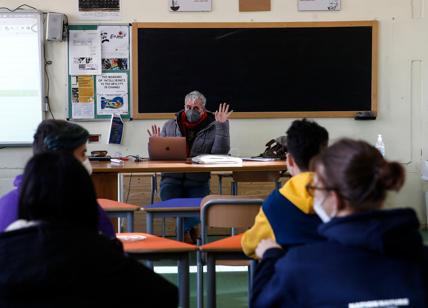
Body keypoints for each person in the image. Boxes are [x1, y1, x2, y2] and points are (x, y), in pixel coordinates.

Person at [252, 139, 428, 307]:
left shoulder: (300, 266)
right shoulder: (420, 259)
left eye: (315, 188)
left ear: (335, 199)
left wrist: (271, 258)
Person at [0, 152, 177, 307]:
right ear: (86, 198)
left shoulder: (6, 249)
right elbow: (166, 294)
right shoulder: (102, 252)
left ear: (26, 197)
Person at [0, 119, 115, 238]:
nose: (86, 159)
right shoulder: (81, 205)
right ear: (63, 159)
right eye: (82, 153)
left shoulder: (5, 203)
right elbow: (109, 247)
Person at [148, 90, 232, 242]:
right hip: (171, 179)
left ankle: (182, 229)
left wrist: (222, 126)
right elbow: (157, 158)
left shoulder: (213, 126)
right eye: (188, 107)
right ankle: (190, 226)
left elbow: (220, 154)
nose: (191, 110)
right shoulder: (170, 125)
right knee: (170, 205)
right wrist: (155, 144)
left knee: (202, 207)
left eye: (196, 108)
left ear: (204, 109)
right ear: (184, 106)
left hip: (198, 180)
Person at [241, 119, 329, 258]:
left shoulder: (275, 204)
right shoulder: (341, 198)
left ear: (289, 160)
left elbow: (250, 245)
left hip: (291, 277)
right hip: (335, 276)